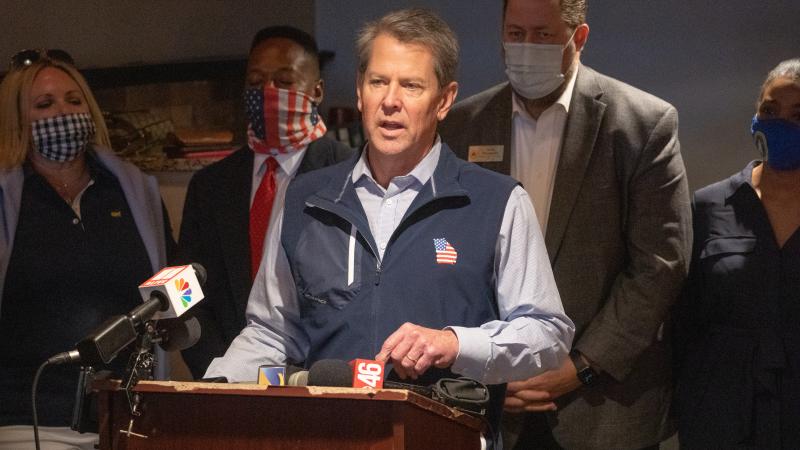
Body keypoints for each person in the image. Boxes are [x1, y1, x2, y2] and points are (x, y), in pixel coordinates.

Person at [206, 8, 574, 446]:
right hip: (323, 439)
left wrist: (455, 344)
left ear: (444, 99)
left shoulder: (497, 201)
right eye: (378, 82)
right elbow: (271, 330)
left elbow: (547, 333)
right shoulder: (306, 198)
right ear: (360, 92)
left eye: (411, 85)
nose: (390, 100)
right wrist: (213, 391)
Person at [439, 1, 692, 448]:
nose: (525, 47)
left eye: (542, 35)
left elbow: (660, 266)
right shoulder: (463, 125)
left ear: (579, 38)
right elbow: (448, 258)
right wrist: (493, 369)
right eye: (515, 34)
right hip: (489, 405)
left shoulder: (641, 124)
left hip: (603, 405)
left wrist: (580, 366)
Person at [0, 50, 173, 449]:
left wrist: (179, 316)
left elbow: (173, 287)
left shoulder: (134, 192)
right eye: (45, 104)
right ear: (18, 120)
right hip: (29, 420)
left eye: (73, 101)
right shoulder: (10, 199)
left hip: (130, 417)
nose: (63, 111)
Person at [178, 26, 353, 378]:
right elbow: (186, 290)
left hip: (322, 382)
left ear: (316, 90)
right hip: (227, 381)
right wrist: (219, 372)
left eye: (284, 81)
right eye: (256, 82)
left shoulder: (349, 175)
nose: (269, 93)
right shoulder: (210, 186)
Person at [673, 58, 800, 449]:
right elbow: (683, 318)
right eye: (770, 111)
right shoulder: (710, 204)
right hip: (721, 410)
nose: (781, 124)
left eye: (798, 114)